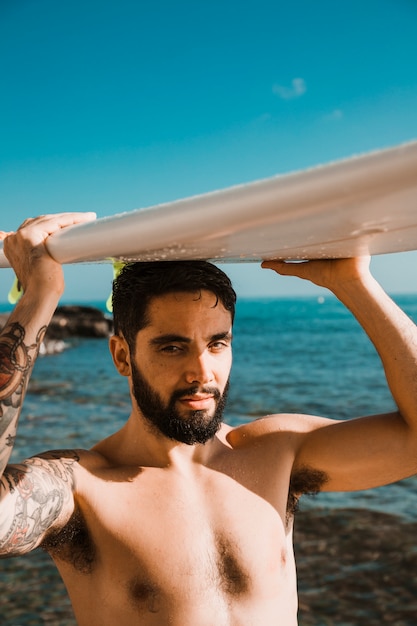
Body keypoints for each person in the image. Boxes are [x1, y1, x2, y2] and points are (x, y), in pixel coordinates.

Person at [1, 213, 417, 626]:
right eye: (172, 347)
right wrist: (39, 296)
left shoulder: (276, 453)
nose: (202, 371)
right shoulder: (82, 489)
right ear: (123, 356)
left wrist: (355, 284)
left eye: (217, 343)